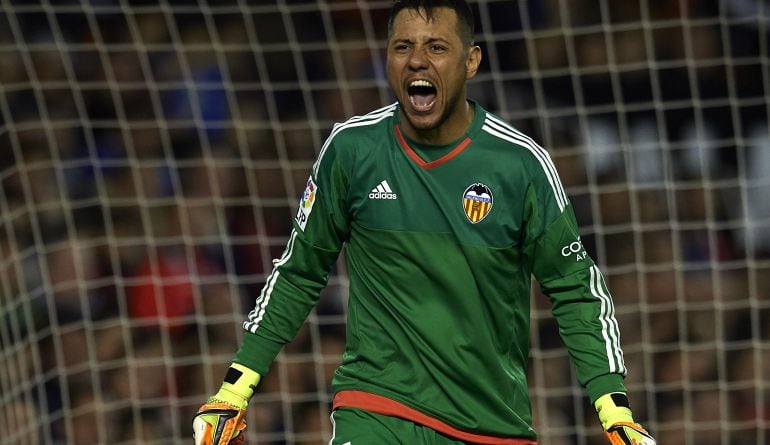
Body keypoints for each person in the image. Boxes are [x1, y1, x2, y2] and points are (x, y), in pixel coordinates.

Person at [193, 1, 656, 444]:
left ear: (471, 61)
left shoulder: (519, 164)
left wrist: (612, 406)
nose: (417, 60)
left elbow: (575, 287)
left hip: (491, 423)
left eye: (436, 47)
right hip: (377, 411)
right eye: (402, 47)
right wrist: (235, 388)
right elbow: (299, 272)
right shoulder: (352, 150)